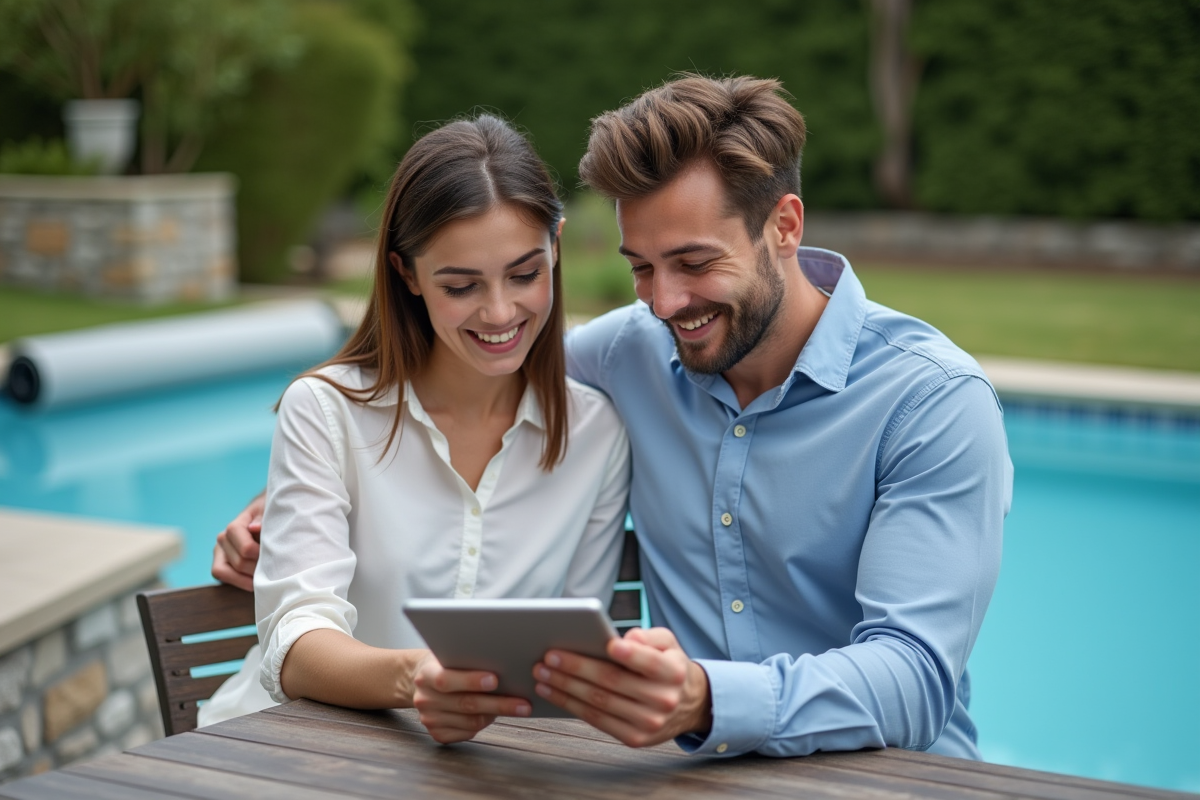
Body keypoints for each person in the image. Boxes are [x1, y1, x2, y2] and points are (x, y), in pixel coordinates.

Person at [217, 75, 1012, 760]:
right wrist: (284, 508)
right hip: (690, 776)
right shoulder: (630, 356)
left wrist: (707, 698)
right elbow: (467, 377)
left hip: (891, 777)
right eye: (641, 268)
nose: (665, 304)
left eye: (696, 263)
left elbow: (914, 679)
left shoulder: (932, 403)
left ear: (786, 227)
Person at [200, 114, 632, 745]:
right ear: (407, 275)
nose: (500, 312)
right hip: (295, 752)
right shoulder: (325, 411)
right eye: (461, 286)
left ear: (556, 245)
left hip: (485, 767)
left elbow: (569, 650)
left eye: (525, 274)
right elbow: (293, 643)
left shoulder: (596, 434)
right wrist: (416, 678)